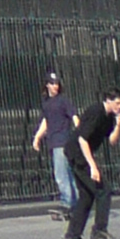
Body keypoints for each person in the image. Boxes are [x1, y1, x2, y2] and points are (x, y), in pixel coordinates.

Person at [65, 85, 120, 239]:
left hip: (81, 154)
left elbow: (111, 141)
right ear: (108, 100)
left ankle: (73, 233)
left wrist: (119, 124)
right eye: (118, 103)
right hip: (77, 154)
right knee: (103, 189)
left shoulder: (109, 117)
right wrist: (93, 167)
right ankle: (99, 230)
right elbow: (82, 140)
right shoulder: (96, 112)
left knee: (87, 194)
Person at [31, 68, 80, 218]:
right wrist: (37, 137)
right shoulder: (46, 103)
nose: (55, 86)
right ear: (47, 85)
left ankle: (67, 203)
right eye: (52, 83)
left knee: (61, 174)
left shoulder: (63, 100)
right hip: (54, 141)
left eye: (57, 83)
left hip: (62, 141)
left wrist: (80, 134)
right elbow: (46, 122)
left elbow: (74, 117)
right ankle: (76, 204)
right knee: (68, 173)